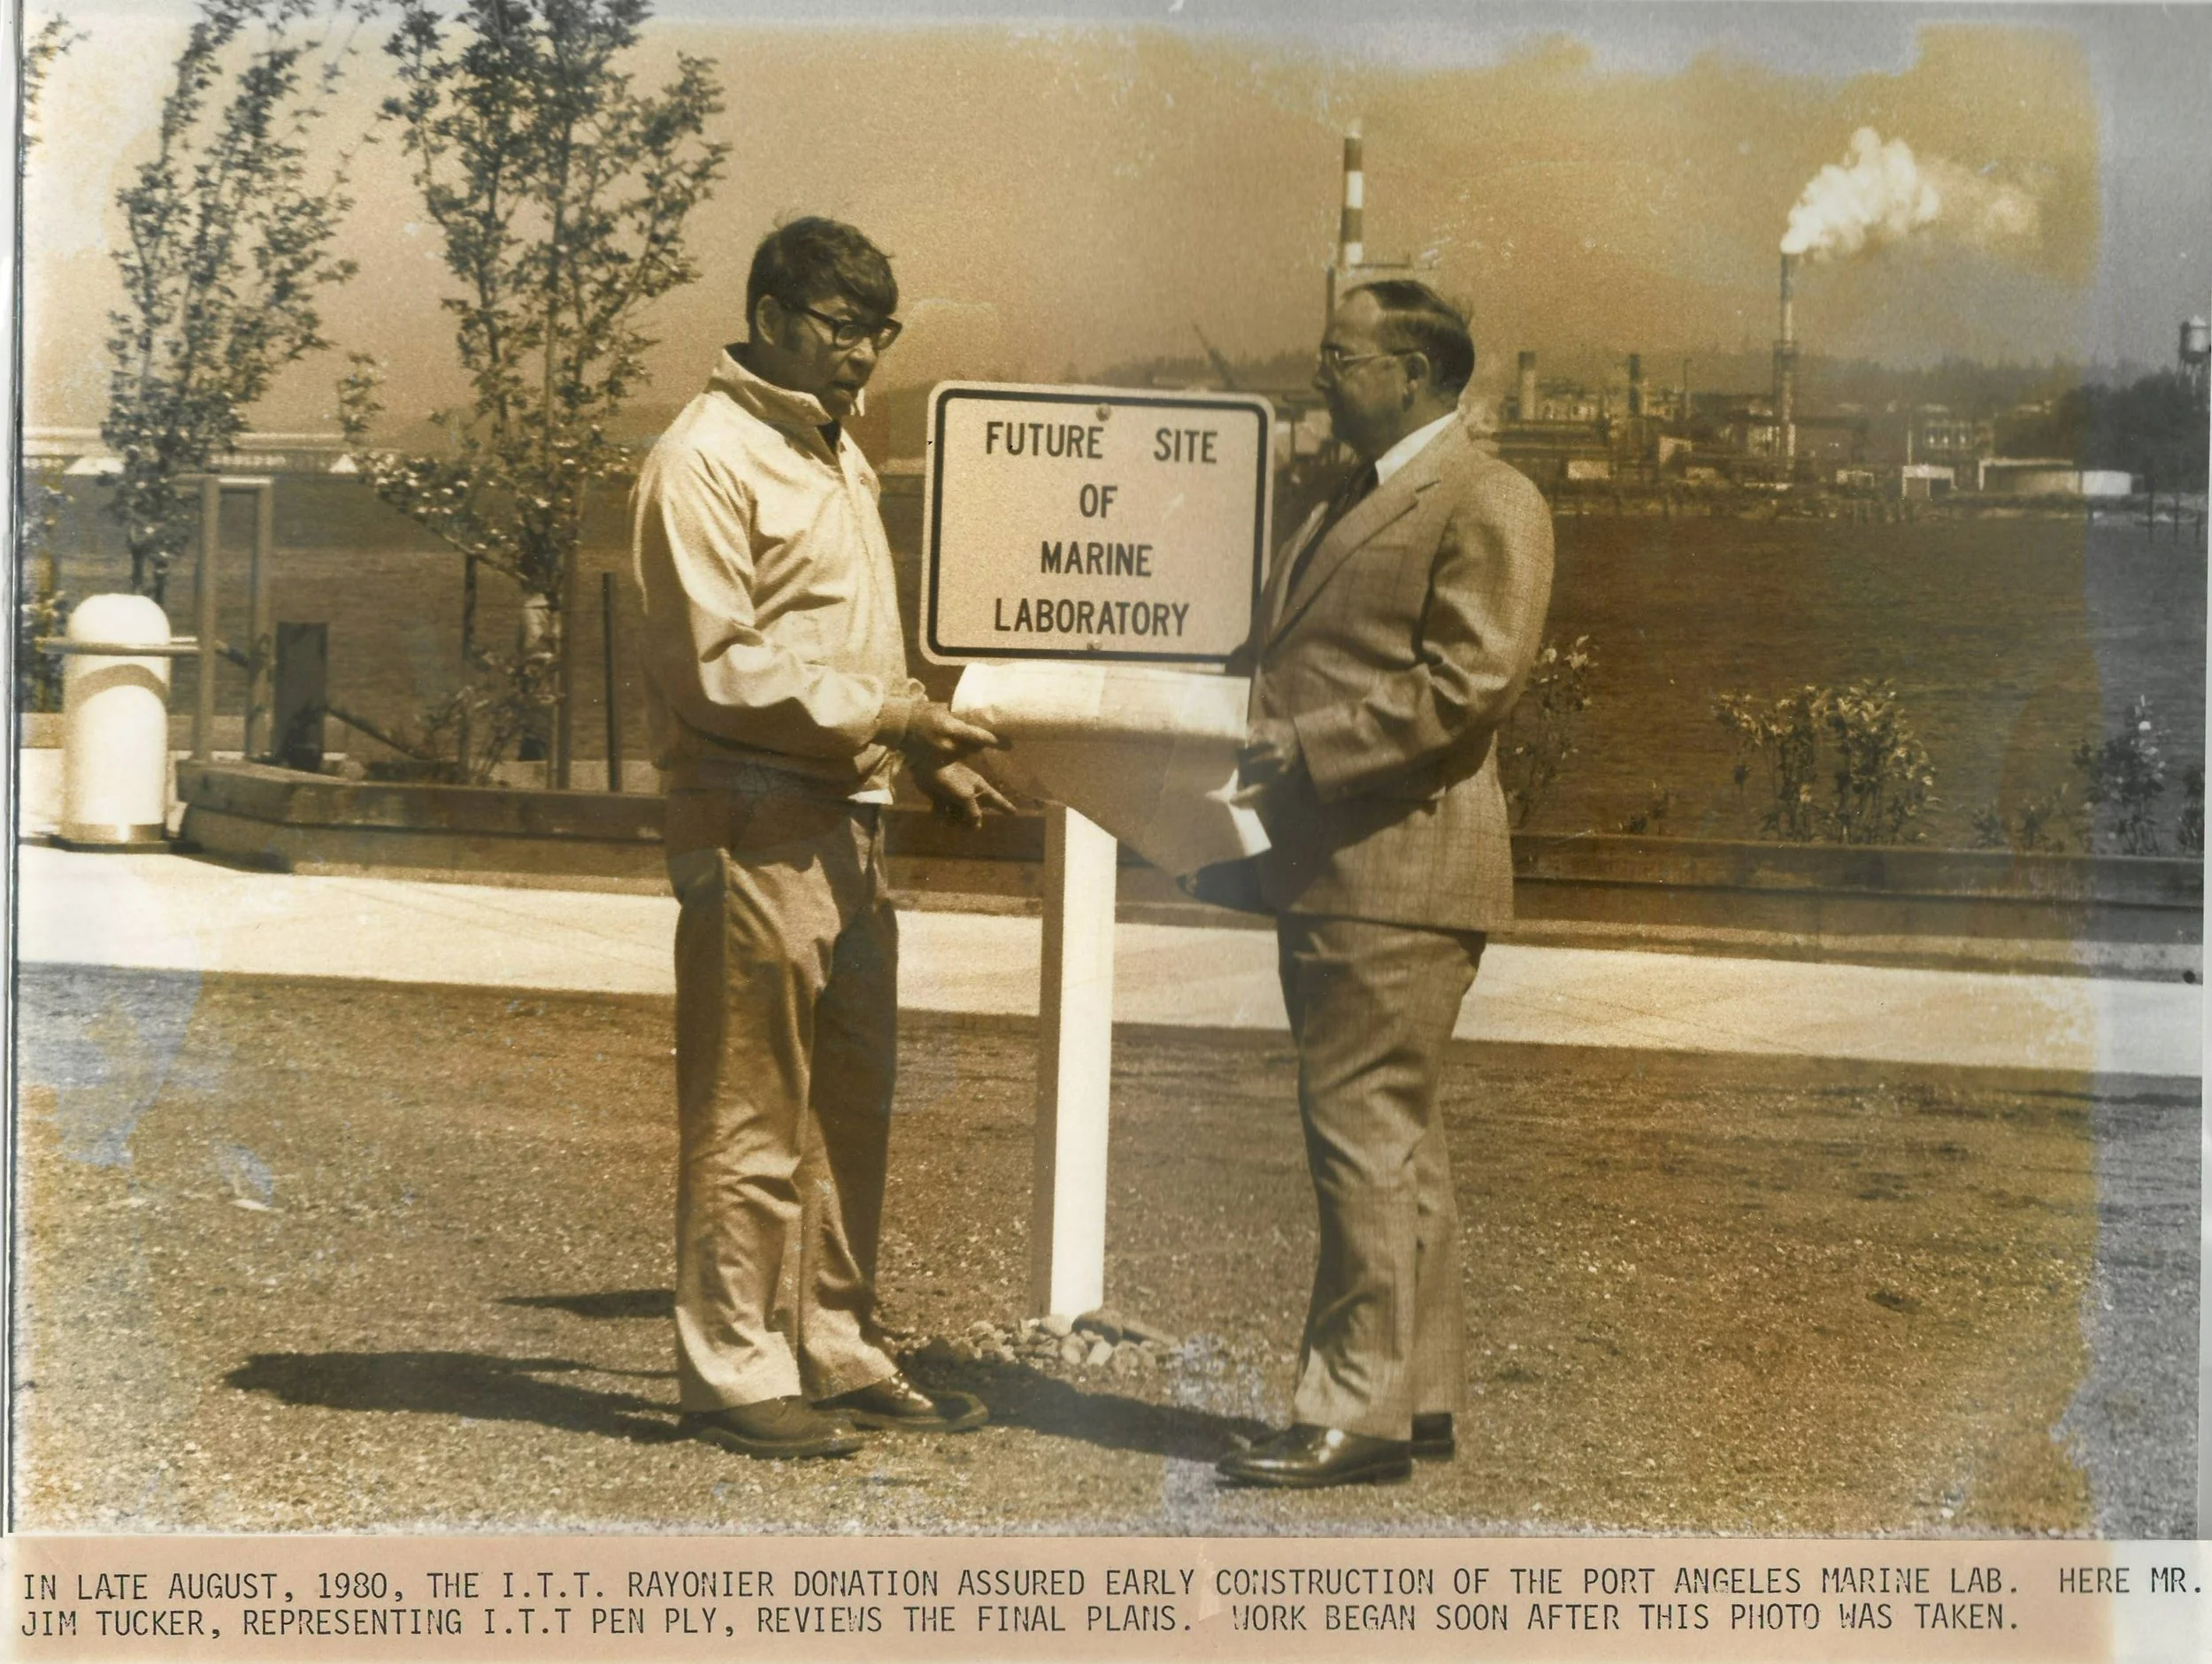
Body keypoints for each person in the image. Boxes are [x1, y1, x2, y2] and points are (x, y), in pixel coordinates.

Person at [631, 217, 1012, 1461]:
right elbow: (719, 665)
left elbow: (839, 651)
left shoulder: (834, 452)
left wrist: (915, 756)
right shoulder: (705, 457)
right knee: (751, 1105)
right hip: (752, 821)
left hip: (847, 819)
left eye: (879, 332)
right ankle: (733, 1370)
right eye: (844, 328)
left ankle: (832, 1348)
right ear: (772, 312)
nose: (863, 355)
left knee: (850, 1103)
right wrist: (895, 713)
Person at [1217, 280, 1554, 1489]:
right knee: (1397, 1144)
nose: (1321, 372)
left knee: (1361, 1136)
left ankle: (1354, 1412)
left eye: (1341, 355)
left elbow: (1473, 683)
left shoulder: (1484, 497)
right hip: (1356, 867)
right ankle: (1415, 1398)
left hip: (1394, 867)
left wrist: (1308, 745)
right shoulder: (1353, 493)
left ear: (1414, 372)